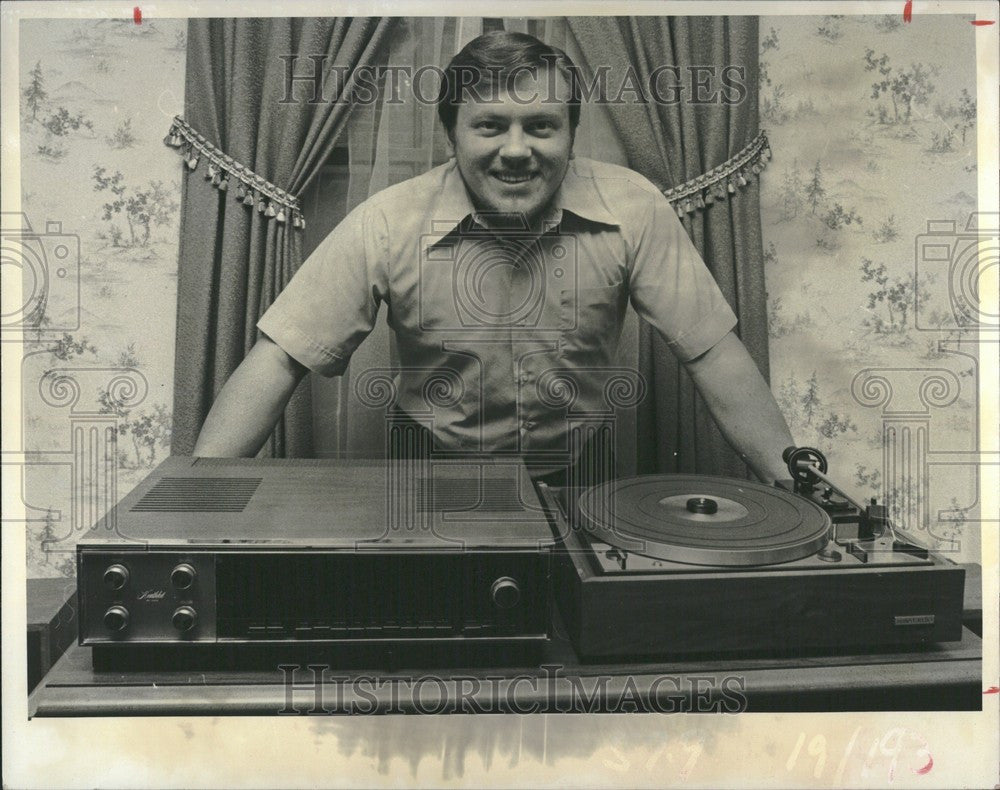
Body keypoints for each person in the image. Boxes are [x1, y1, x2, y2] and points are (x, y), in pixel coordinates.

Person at [194, 30, 794, 484]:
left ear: (570, 134)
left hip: (580, 475)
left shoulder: (634, 207)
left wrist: (795, 482)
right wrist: (195, 498)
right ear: (451, 135)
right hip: (429, 476)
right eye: (489, 126)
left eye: (540, 126)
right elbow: (278, 360)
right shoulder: (386, 221)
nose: (516, 151)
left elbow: (714, 353)